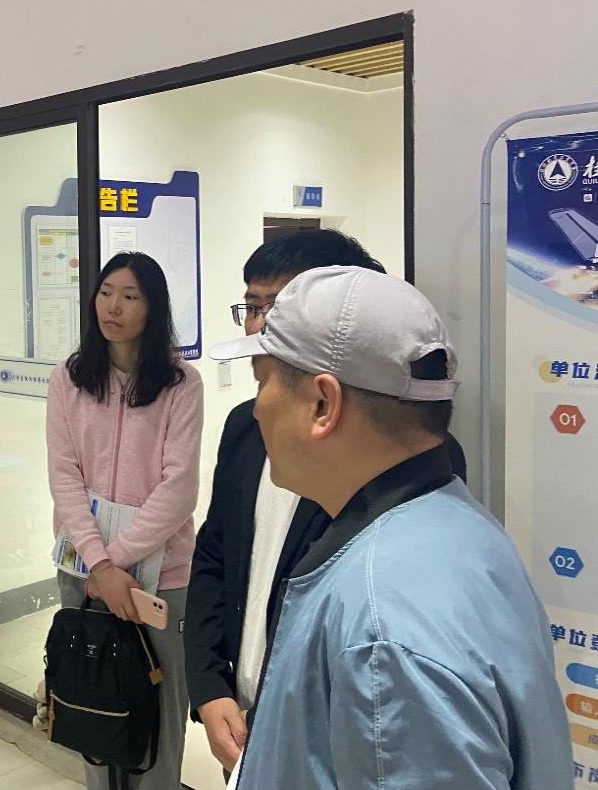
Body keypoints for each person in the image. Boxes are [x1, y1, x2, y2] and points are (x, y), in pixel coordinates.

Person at [207, 265, 571, 789]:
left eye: (264, 382)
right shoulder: (462, 529)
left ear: (323, 404)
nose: (258, 408)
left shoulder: (383, 630)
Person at [183, 230, 470, 776]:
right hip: (244, 722)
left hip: (326, 743)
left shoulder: (415, 477)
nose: (260, 328)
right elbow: (214, 554)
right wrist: (209, 686)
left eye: (280, 309)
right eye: (252, 307)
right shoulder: (245, 428)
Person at [47, 251, 203, 790]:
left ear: (152, 307)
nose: (112, 306)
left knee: (160, 712)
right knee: (91, 702)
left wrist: (114, 563)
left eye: (130, 296)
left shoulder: (181, 383)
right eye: (106, 292)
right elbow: (64, 476)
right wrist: (98, 565)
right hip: (83, 571)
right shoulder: (69, 378)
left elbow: (179, 488)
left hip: (161, 577)